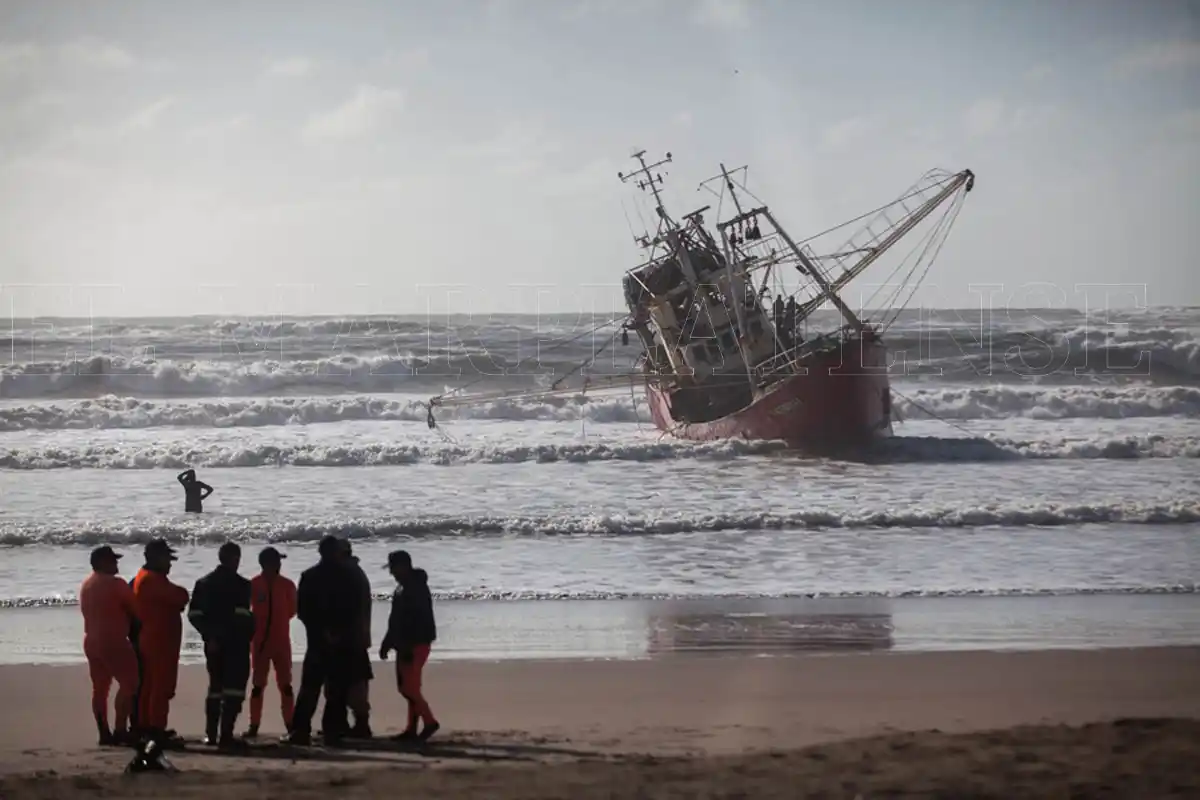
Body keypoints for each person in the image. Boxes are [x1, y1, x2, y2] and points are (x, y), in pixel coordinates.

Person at [282, 535, 361, 746]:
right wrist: (338, 632)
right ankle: (332, 732)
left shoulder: (310, 576)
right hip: (341, 639)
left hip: (317, 640)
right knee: (335, 690)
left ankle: (301, 731)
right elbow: (354, 609)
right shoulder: (348, 576)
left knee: (310, 688)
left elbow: (303, 611)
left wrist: (322, 631)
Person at [188, 542, 254, 749]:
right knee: (234, 690)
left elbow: (194, 615)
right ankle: (226, 735)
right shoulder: (243, 585)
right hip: (235, 645)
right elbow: (241, 617)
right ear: (235, 558)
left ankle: (211, 735)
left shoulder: (203, 583)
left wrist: (210, 636)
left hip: (213, 645)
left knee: (215, 688)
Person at [79, 545, 140, 745]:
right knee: (130, 683)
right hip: (113, 640)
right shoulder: (117, 584)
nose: (116, 563)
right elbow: (136, 609)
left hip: (91, 640)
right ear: (102, 562)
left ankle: (104, 732)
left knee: (100, 688)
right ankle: (121, 729)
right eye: (113, 560)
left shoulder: (86, 584)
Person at [131, 539, 190, 747]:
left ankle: (150, 727)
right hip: (158, 640)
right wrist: (177, 602)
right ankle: (155, 730)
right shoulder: (151, 580)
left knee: (154, 686)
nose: (170, 564)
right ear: (156, 558)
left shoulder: (149, 578)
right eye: (167, 559)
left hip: (159, 638)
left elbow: (177, 598)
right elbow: (180, 595)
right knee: (159, 687)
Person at [379, 550, 439, 742]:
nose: (392, 573)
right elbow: (395, 620)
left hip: (415, 644)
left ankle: (429, 722)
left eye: (394, 568)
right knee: (410, 687)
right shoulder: (402, 588)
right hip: (406, 644)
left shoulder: (415, 588)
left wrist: (406, 647)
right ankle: (411, 728)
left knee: (408, 688)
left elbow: (416, 621)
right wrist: (388, 642)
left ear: (404, 566)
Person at [245, 546, 296, 738]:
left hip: (281, 642)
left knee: (286, 685)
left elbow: (291, 611)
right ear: (267, 564)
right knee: (258, 685)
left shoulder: (287, 585)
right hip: (260, 643)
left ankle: (290, 724)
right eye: (276, 561)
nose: (280, 565)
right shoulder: (253, 585)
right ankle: (254, 725)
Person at [341, 539, 374, 739]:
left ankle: (361, 724)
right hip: (357, 636)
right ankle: (355, 722)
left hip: (352, 637)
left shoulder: (350, 575)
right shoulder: (355, 573)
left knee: (354, 683)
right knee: (353, 682)